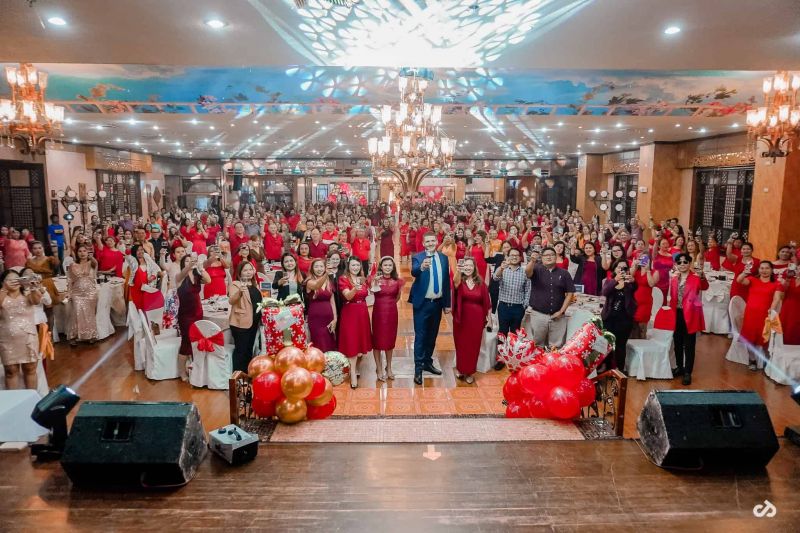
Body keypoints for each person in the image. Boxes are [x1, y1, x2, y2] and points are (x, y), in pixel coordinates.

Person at [408, 232, 450, 385]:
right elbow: (414, 271)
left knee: (432, 335)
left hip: (437, 304)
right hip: (422, 303)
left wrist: (447, 304)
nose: (431, 243)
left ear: (437, 241)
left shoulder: (443, 258)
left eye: (433, 240)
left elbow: (446, 282)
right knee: (420, 336)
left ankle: (427, 362)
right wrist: (421, 267)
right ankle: (418, 369)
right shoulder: (418, 257)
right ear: (423, 244)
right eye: (428, 241)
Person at [668, 253, 709, 385]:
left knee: (689, 345)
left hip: (690, 314)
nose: (682, 265)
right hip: (676, 313)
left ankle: (687, 372)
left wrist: (702, 276)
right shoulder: (674, 279)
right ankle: (680, 367)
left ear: (690, 263)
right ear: (676, 265)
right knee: (677, 343)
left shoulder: (695, 278)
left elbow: (705, 286)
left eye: (685, 262)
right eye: (679, 262)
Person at [0, 267, 43, 390]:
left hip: (28, 337)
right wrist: (4, 289)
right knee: (10, 370)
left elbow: (36, 301)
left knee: (30, 368)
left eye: (16, 279)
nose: (14, 282)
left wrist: (33, 286)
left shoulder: (27, 295)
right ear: (3, 282)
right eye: (9, 280)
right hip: (7, 339)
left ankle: (32, 398)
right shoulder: (2, 295)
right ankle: (14, 400)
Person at [525, 246, 575, 348]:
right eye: (546, 255)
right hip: (538, 315)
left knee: (556, 346)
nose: (549, 257)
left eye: (552, 255)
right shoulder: (536, 269)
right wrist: (532, 261)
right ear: (542, 258)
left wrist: (561, 311)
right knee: (537, 345)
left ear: (556, 257)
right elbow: (527, 272)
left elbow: (570, 293)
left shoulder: (564, 273)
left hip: (558, 316)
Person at [737, 261, 781, 370]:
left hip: (765, 315)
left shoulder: (776, 284)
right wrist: (744, 272)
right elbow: (739, 280)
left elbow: (776, 298)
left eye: (767, 268)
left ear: (772, 270)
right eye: (762, 268)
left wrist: (771, 309)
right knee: (749, 338)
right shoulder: (752, 280)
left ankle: (767, 360)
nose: (764, 270)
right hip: (750, 314)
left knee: (765, 338)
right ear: (758, 269)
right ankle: (752, 359)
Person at [453, 256, 491, 384]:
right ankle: (460, 369)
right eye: (466, 265)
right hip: (461, 318)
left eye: (470, 265)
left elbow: (486, 302)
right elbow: (455, 282)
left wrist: (488, 318)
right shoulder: (460, 280)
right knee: (461, 345)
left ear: (475, 267)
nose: (468, 268)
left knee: (473, 346)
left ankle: (469, 372)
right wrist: (458, 270)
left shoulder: (481, 283)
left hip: (477, 319)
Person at [492, 248, 531, 370]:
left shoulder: (525, 272)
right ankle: (501, 359)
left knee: (515, 334)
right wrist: (501, 268)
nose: (514, 257)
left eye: (516, 255)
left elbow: (528, 290)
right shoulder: (503, 269)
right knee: (502, 333)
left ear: (520, 258)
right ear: (507, 257)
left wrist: (524, 306)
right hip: (503, 307)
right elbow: (495, 278)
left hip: (518, 308)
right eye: (512, 255)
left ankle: (512, 358)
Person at [338, 256, 373, 388]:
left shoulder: (362, 278)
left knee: (359, 343)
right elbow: (347, 296)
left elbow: (368, 294)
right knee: (352, 342)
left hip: (362, 312)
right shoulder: (344, 279)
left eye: (358, 265)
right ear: (348, 266)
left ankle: (355, 367)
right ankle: (352, 373)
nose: (356, 267)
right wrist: (355, 288)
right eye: (353, 265)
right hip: (350, 313)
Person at [369, 256, 404, 381]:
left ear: (393, 267)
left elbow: (398, 297)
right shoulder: (375, 279)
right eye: (385, 265)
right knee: (377, 341)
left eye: (390, 265)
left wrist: (389, 304)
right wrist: (374, 282)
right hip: (378, 313)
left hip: (392, 313)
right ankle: (379, 367)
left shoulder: (398, 281)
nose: (388, 267)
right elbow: (371, 292)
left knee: (390, 341)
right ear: (381, 267)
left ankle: (388, 367)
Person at [176, 254, 210, 381]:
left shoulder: (196, 275)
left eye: (191, 260)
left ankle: (194, 368)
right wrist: (189, 266)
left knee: (196, 341)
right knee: (186, 342)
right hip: (185, 314)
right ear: (183, 264)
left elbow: (208, 280)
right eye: (187, 261)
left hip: (197, 311)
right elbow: (183, 273)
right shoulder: (180, 277)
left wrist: (201, 268)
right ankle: (181, 371)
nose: (190, 262)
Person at [600, 260, 637, 372]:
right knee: (608, 345)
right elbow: (605, 292)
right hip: (609, 318)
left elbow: (634, 288)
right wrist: (615, 280)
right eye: (619, 267)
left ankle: (620, 371)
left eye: (624, 268)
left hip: (625, 320)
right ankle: (607, 369)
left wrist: (631, 281)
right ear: (614, 269)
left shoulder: (630, 282)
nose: (621, 270)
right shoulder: (609, 281)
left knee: (621, 346)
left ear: (628, 270)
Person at [228, 261, 263, 372]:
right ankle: (238, 376)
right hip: (241, 323)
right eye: (245, 270)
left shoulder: (254, 284)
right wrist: (239, 293)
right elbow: (231, 300)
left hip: (253, 323)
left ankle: (246, 375)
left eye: (250, 269)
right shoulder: (236, 284)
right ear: (240, 273)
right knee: (241, 351)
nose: (248, 272)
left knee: (249, 350)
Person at [67, 243, 98, 347]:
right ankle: (74, 336)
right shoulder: (72, 265)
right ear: (77, 253)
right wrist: (69, 293)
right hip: (77, 293)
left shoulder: (92, 263)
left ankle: (91, 335)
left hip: (90, 292)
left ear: (88, 252)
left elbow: (95, 262)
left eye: (84, 251)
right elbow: (69, 280)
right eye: (80, 251)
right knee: (77, 313)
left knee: (89, 314)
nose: (82, 253)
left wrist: (91, 256)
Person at [304, 258, 337, 353]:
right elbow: (316, 286)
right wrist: (326, 274)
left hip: (329, 318)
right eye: (316, 266)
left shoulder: (328, 281)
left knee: (329, 343)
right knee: (319, 344)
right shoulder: (309, 281)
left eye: (321, 266)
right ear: (312, 269)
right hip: (316, 319)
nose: (319, 269)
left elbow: (332, 302)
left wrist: (335, 319)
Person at [630, 252, 659, 338]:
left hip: (645, 304)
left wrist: (648, 271)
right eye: (641, 258)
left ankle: (642, 342)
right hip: (633, 302)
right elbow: (628, 277)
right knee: (631, 325)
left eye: (646, 259)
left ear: (650, 260)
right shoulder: (636, 271)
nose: (643, 260)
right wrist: (634, 266)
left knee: (641, 327)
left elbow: (651, 284)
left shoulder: (654, 272)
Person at [25, 241, 61, 309]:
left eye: (40, 248)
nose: (38, 250)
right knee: (38, 307)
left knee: (50, 307)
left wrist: (56, 254)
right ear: (31, 250)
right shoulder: (29, 262)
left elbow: (57, 264)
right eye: (35, 248)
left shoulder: (49, 259)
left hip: (48, 284)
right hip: (35, 286)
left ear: (43, 248)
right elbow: (27, 273)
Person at [773, 265, 799, 345]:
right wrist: (786, 281)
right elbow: (782, 294)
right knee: (785, 329)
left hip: (798, 309)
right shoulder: (789, 280)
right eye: (798, 267)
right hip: (787, 308)